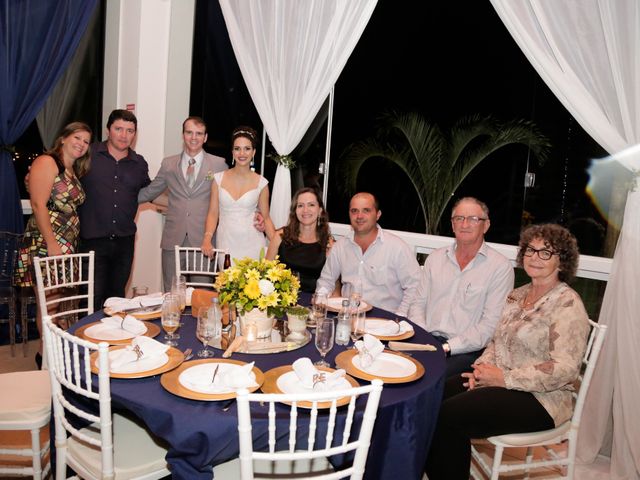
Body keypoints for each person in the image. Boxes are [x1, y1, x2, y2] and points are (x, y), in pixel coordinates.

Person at [424, 224, 590, 480]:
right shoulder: (517, 295)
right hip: (500, 381)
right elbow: (496, 341)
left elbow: (564, 370)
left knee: (449, 417)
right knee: (432, 397)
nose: (535, 257)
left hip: (542, 398)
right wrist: (480, 370)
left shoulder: (567, 304)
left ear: (562, 261)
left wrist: (504, 379)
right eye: (531, 250)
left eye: (546, 252)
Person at [408, 197, 514, 376]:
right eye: (459, 218)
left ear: (486, 225)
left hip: (466, 351)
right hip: (426, 340)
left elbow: (488, 326)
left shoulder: (500, 268)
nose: (465, 224)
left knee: (429, 376)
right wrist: (423, 338)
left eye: (473, 219)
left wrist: (447, 347)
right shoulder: (435, 259)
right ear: (452, 224)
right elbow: (418, 304)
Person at [14, 122, 92, 362]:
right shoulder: (47, 162)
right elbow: (38, 204)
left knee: (55, 304)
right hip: (45, 243)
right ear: (64, 138)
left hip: (65, 244)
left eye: (86, 141)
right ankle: (47, 358)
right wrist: (51, 243)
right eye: (77, 138)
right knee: (47, 307)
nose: (81, 144)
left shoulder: (71, 170)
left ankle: (47, 355)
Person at [138, 116, 228, 291]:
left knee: (201, 295)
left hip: (204, 242)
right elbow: (151, 191)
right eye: (189, 132)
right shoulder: (169, 164)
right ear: (183, 135)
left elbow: (229, 196)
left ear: (205, 137)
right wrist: (122, 199)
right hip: (173, 241)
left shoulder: (218, 164)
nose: (194, 137)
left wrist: (255, 212)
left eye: (199, 133)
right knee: (172, 293)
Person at [78, 109, 150, 310]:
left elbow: (149, 193)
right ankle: (87, 341)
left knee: (116, 301)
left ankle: (112, 342)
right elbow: (62, 175)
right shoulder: (87, 154)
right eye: (119, 129)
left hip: (124, 243)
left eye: (130, 130)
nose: (124, 135)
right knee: (90, 301)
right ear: (108, 129)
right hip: (91, 240)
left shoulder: (139, 163)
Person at [315, 192, 421, 317]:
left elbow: (415, 287)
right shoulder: (340, 247)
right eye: (354, 211)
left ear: (378, 214)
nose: (359, 216)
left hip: (385, 323)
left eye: (366, 210)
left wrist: (400, 316)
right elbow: (326, 282)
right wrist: (320, 302)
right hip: (348, 320)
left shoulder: (397, 248)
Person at [201, 126, 275, 261]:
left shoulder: (262, 183)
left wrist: (278, 244)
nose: (242, 153)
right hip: (226, 244)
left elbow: (266, 218)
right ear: (232, 152)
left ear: (253, 152)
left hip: (254, 245)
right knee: (225, 281)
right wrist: (207, 238)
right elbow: (213, 213)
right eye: (237, 148)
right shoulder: (218, 179)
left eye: (247, 149)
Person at [266, 187, 334, 293]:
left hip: (313, 303)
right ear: (295, 211)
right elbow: (265, 272)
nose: (305, 210)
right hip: (282, 302)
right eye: (300, 205)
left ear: (320, 211)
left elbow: (333, 282)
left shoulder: (329, 243)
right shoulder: (280, 236)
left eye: (311, 205)